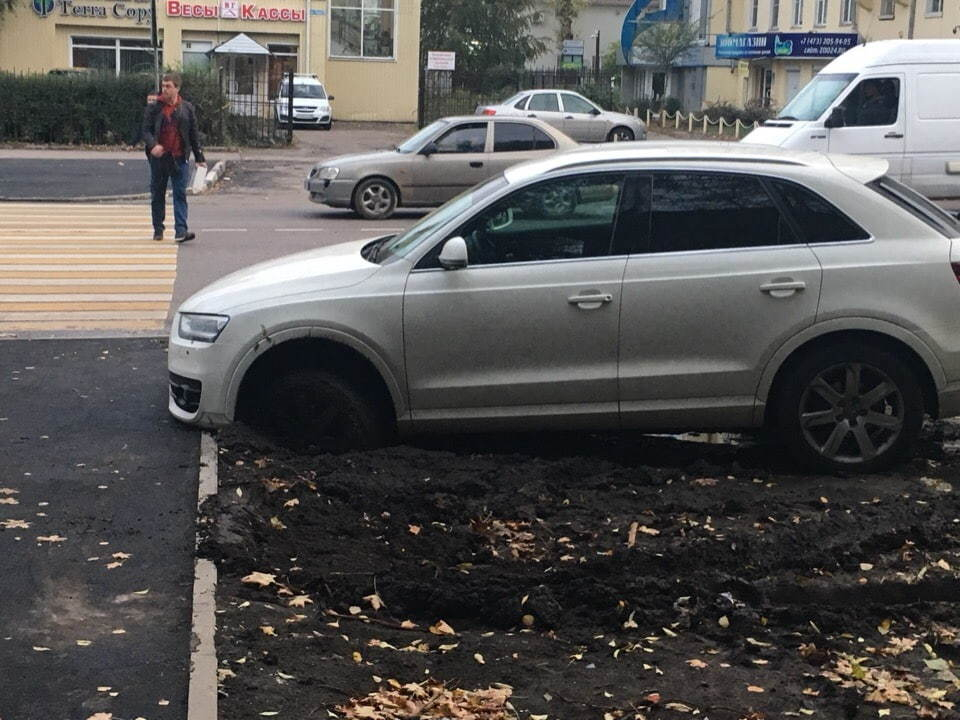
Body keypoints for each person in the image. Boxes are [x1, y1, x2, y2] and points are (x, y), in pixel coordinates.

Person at [142, 72, 206, 242]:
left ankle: (181, 230)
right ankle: (158, 229)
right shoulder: (155, 107)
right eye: (163, 86)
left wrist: (199, 157)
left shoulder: (187, 108)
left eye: (168, 86)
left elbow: (193, 134)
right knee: (158, 193)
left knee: (180, 194)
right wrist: (153, 145)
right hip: (160, 158)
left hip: (179, 157)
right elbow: (146, 130)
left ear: (177, 88)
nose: (164, 89)